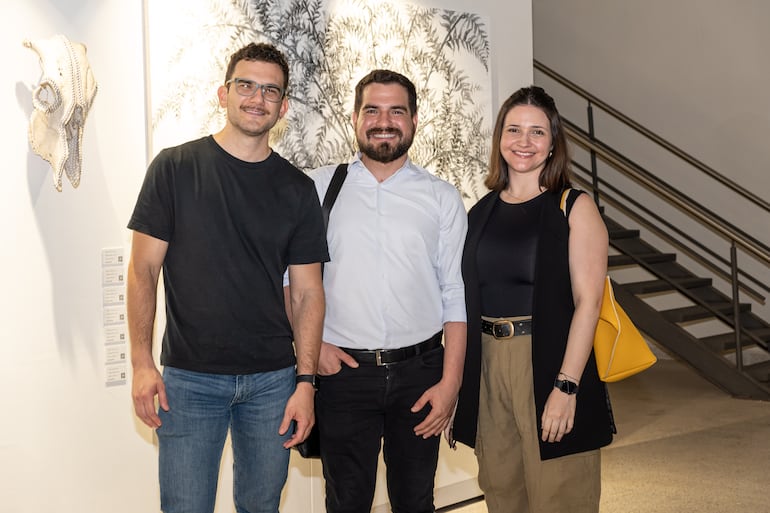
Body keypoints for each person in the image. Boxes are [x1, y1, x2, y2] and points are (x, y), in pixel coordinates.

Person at [126, 42, 328, 513]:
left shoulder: (297, 189)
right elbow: (142, 271)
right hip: (189, 380)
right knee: (185, 506)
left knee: (262, 507)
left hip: (273, 382)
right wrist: (140, 362)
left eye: (270, 90)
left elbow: (307, 293)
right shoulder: (174, 168)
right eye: (246, 85)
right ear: (223, 93)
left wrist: (306, 383)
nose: (256, 98)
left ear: (283, 106)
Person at [292, 69, 468, 513]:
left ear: (413, 121)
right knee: (346, 502)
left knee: (415, 501)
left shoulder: (441, 197)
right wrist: (315, 350)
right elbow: (288, 283)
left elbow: (456, 294)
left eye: (396, 111)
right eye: (372, 109)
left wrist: (450, 384)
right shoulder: (317, 188)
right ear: (355, 118)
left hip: (420, 374)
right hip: (342, 375)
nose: (383, 120)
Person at [452, 86, 616, 513]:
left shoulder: (573, 207)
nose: (523, 141)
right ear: (500, 140)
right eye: (514, 130)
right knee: (502, 490)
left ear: (552, 143)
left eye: (537, 132)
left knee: (560, 494)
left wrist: (566, 386)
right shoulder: (481, 211)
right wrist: (459, 386)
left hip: (548, 360)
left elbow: (588, 303)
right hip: (488, 365)